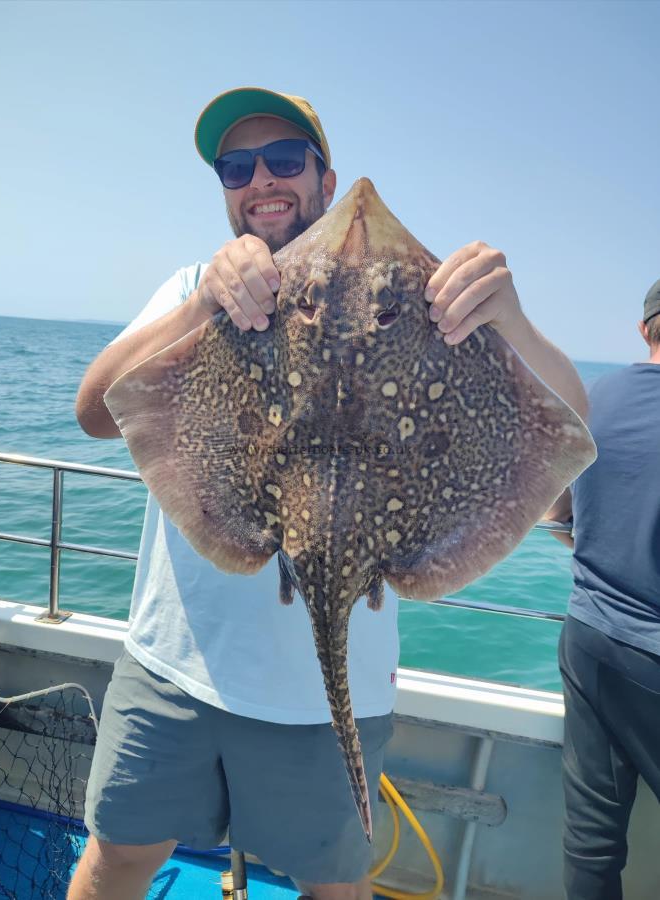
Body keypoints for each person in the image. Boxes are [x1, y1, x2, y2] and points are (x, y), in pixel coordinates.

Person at [70, 86, 589, 900]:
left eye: (283, 159)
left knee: (332, 887)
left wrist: (510, 321)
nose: (260, 178)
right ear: (225, 187)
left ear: (322, 174)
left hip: (314, 709)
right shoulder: (193, 288)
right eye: (237, 166)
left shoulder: (436, 310)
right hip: (171, 665)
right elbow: (94, 411)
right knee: (120, 857)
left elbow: (566, 428)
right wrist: (208, 297)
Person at [544, 279, 660, 900]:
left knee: (591, 839)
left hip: (588, 639)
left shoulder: (594, 400)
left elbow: (557, 515)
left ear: (646, 330)